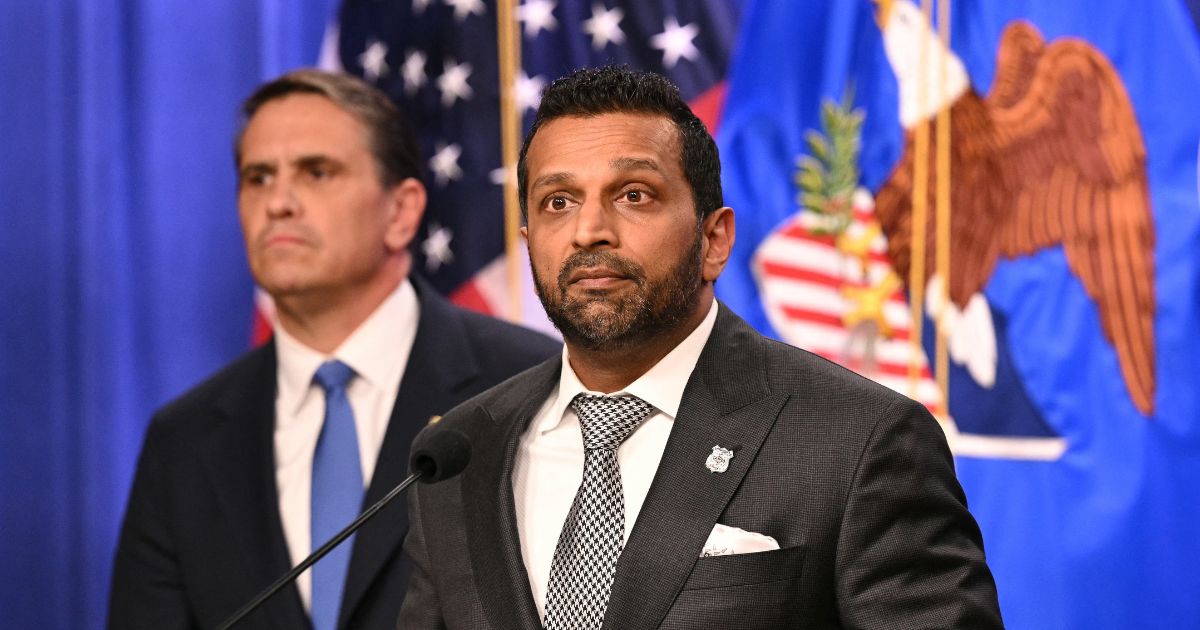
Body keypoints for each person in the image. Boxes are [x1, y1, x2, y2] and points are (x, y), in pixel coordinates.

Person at [397, 66, 1003, 629]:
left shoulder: (860, 440)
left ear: (714, 239)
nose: (589, 231)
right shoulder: (459, 452)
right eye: (559, 203)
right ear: (529, 241)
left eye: (633, 194)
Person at [108, 69, 559, 630]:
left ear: (401, 212)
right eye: (258, 177)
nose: (278, 203)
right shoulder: (184, 440)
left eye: (316, 172)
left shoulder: (528, 383)